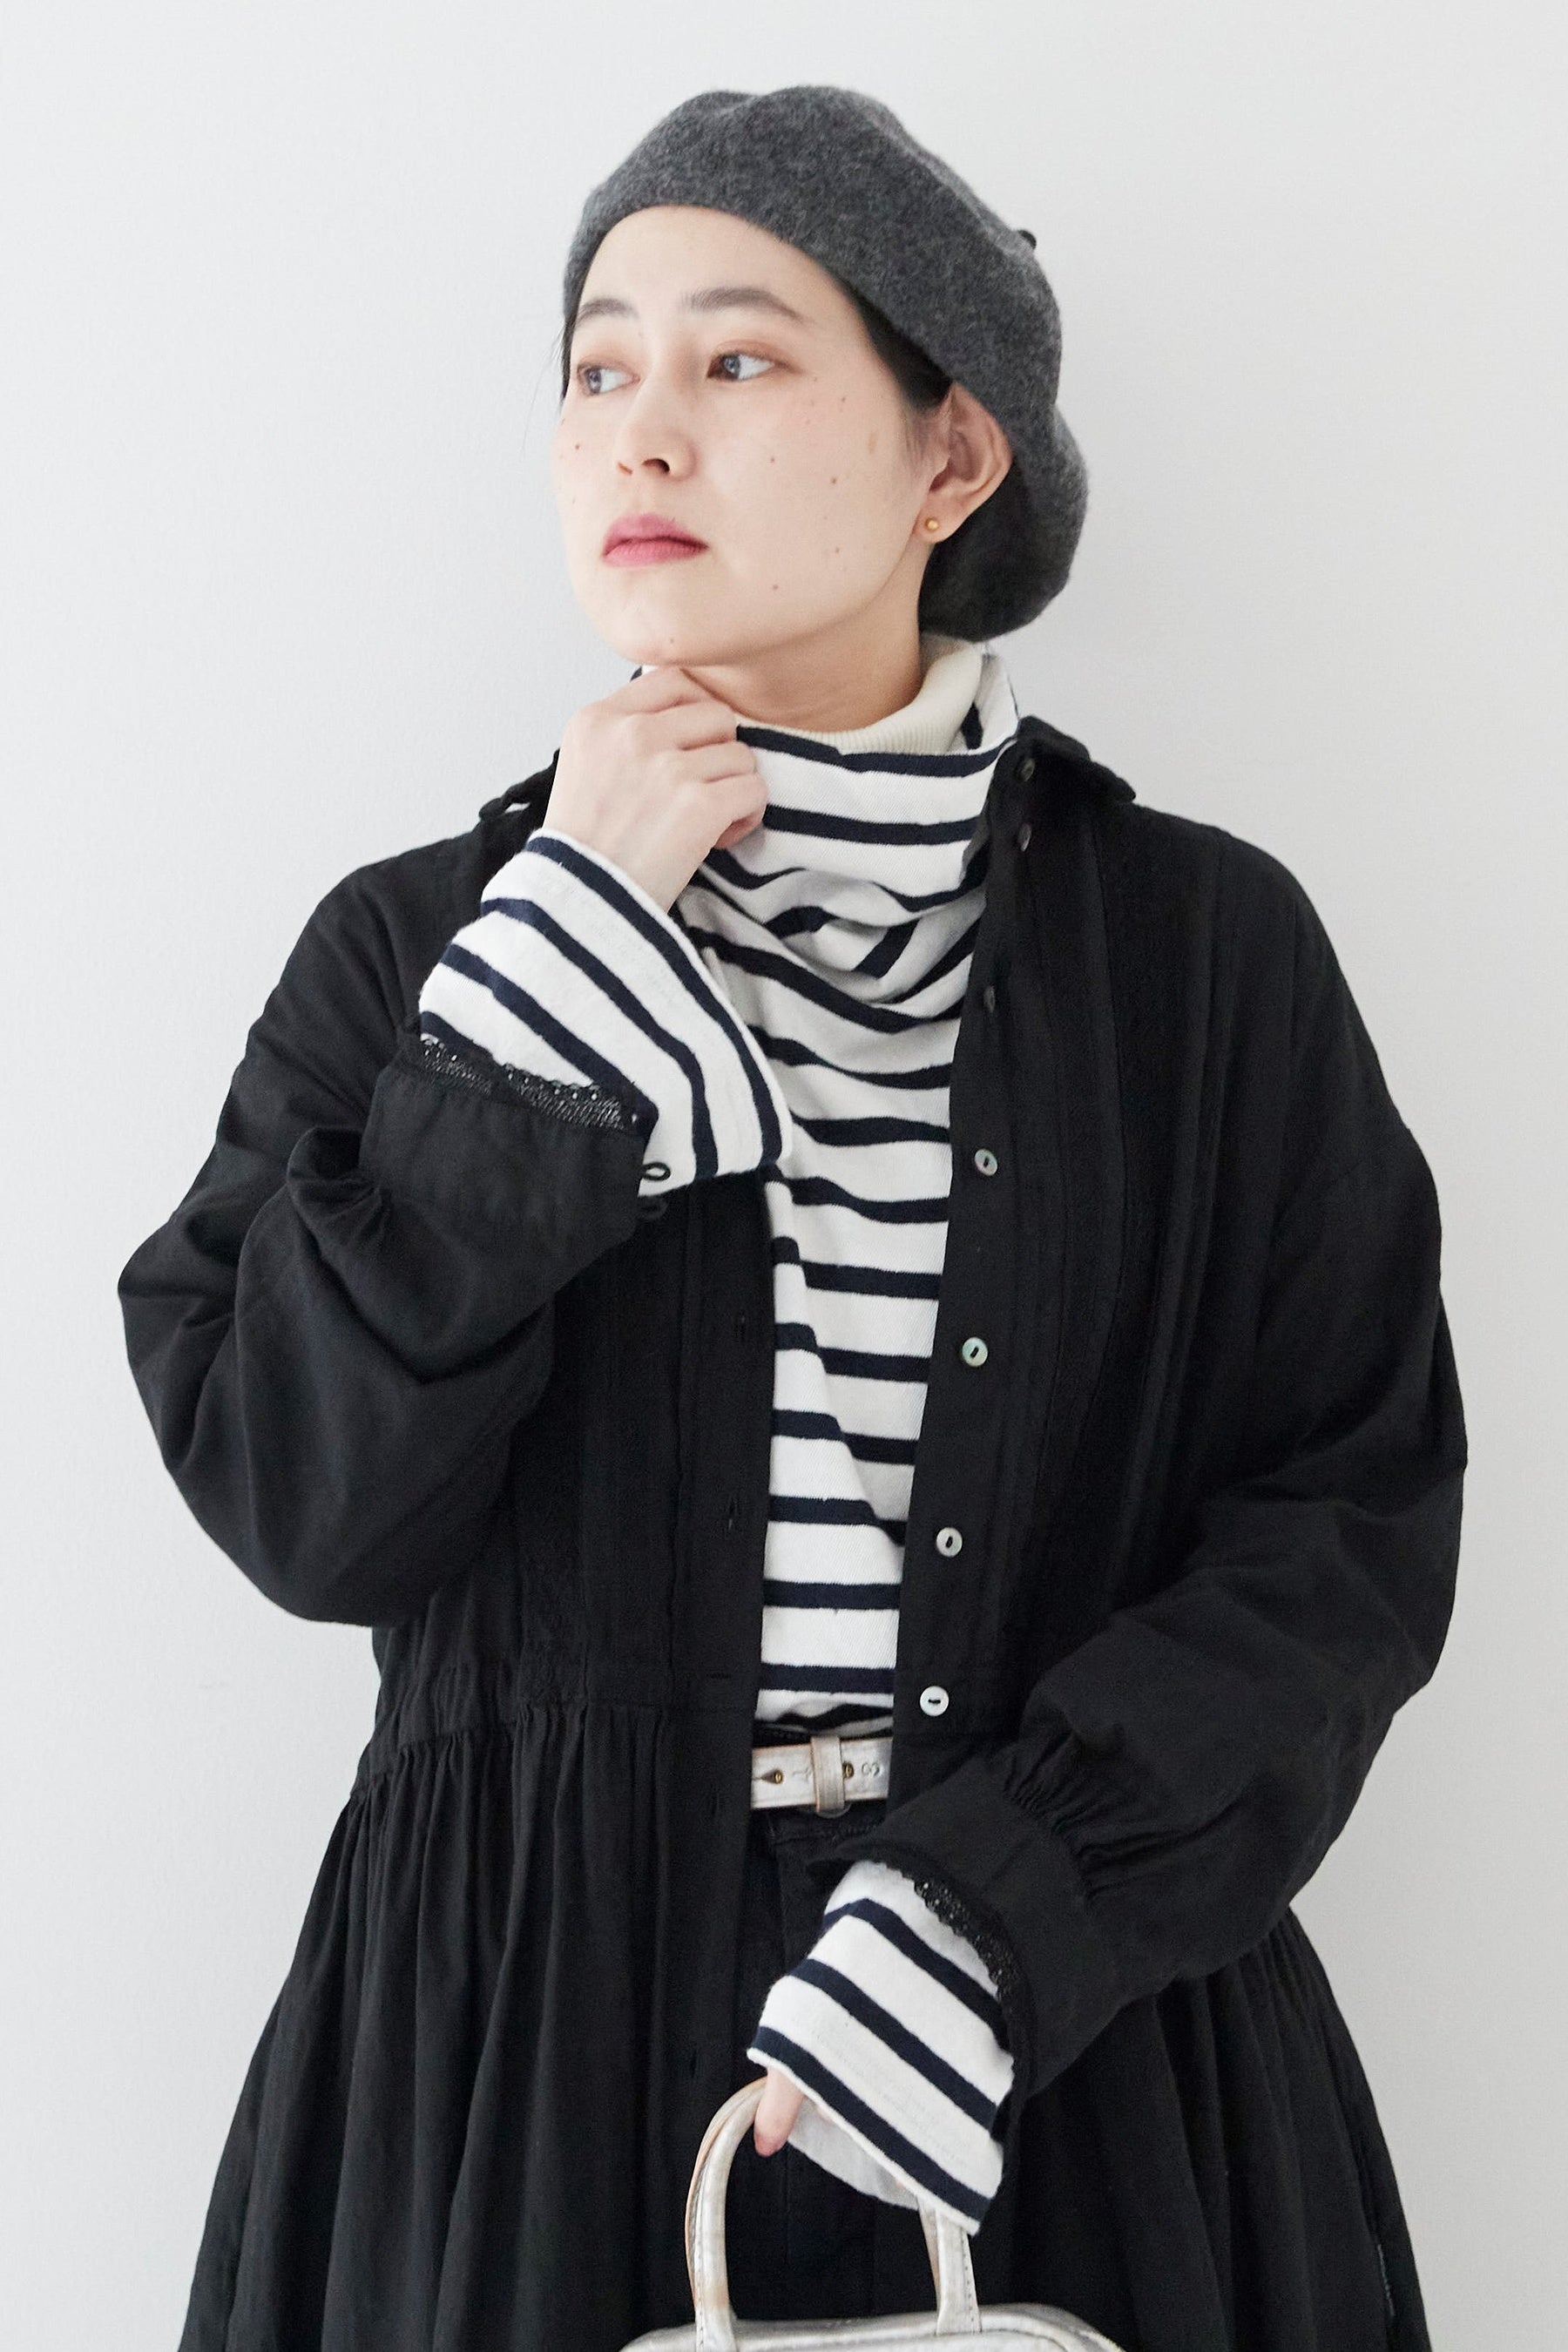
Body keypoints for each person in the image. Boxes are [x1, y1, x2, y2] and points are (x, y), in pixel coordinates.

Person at [118, 84, 1466, 2352]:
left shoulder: (1200, 960)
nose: (639, 432)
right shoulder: (423, 952)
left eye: (736, 357)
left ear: (953, 457)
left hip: (1076, 2056)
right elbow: (303, 1502)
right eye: (596, 366)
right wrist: (552, 987)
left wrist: (997, 1915)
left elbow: (1346, 1530)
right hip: (516, 2080)